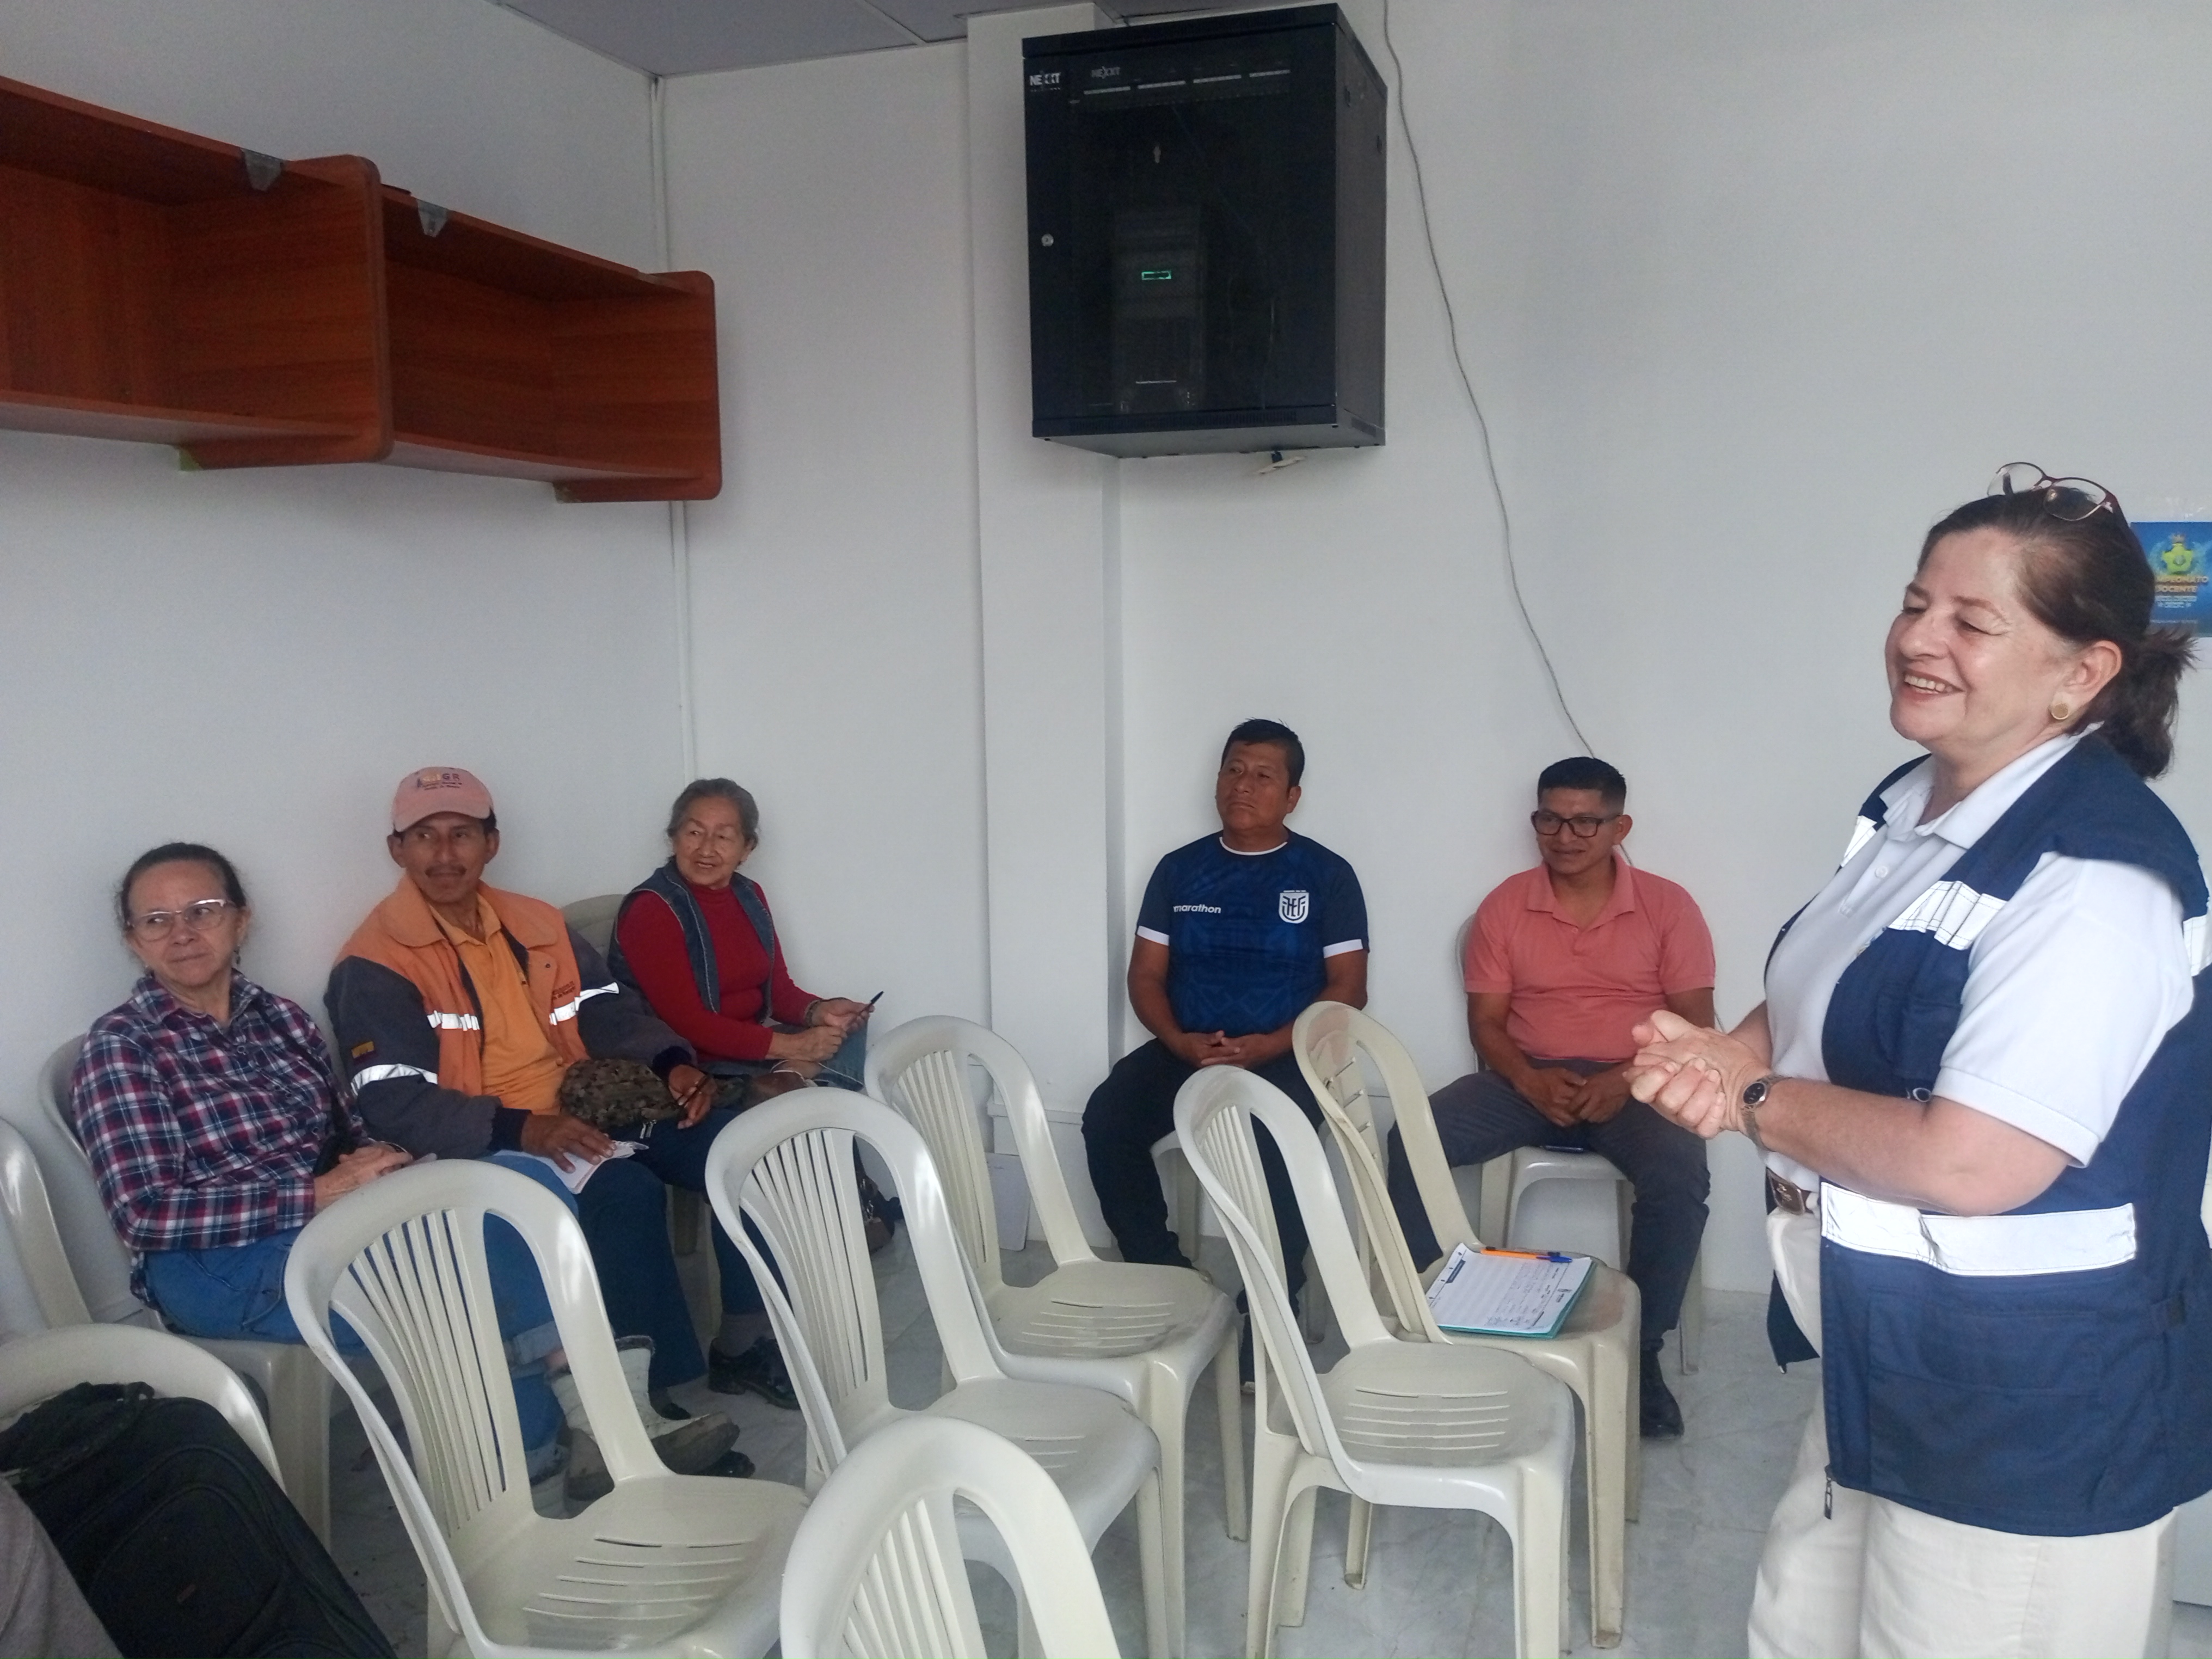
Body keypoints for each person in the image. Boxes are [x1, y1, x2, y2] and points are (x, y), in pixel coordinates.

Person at [1626, 465, 2212, 1659]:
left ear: (2081, 671)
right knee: (1798, 1626)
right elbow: (1839, 982)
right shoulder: (1916, 804)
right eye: (1912, 603)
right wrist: (1728, 1050)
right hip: (1887, 1346)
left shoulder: (2093, 878)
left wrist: (1747, 1095)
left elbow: (1972, 1163)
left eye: (1970, 621)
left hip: (2027, 1403)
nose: (1915, 638)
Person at [68, 843, 568, 1486]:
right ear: (134, 941)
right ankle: (545, 1433)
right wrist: (317, 1194)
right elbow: (147, 1214)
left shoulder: (280, 1018)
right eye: (156, 920)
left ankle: (527, 1418)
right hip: (213, 1260)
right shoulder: (122, 1045)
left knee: (521, 1184)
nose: (182, 933)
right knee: (443, 1271)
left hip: (322, 1214)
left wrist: (383, 1160)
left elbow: (342, 1130)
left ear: (241, 920)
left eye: (202, 910)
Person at [323, 767, 776, 1454]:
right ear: (397, 849)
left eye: (461, 835)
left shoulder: (534, 922)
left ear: (492, 843)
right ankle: (637, 1413)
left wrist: (671, 1063)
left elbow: (606, 1011)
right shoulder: (375, 961)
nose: (444, 854)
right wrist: (521, 1127)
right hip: (490, 1139)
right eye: (424, 837)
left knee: (745, 1146)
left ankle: (742, 1344)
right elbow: (393, 1102)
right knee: (624, 1191)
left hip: (587, 1101)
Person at [1384, 757, 1715, 1437]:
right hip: (1526, 1078)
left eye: (1584, 822)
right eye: (1549, 820)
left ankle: (1640, 1355)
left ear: (1619, 827)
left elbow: (1696, 1024)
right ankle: (1427, 1325)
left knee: (1679, 1173)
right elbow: (1486, 1024)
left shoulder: (1668, 906)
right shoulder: (1506, 905)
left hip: (1635, 1082)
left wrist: (1622, 1079)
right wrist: (1529, 1078)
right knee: (1412, 1136)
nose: (1564, 837)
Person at [1082, 719, 1368, 1306]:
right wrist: (1177, 1040)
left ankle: (1273, 1303)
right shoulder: (1179, 870)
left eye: (1263, 776)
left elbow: (1349, 989)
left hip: (1287, 1054)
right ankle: (1164, 1275)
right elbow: (1144, 976)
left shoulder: (1327, 876)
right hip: (1188, 1048)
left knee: (1273, 1143)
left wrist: (1270, 1045)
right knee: (1108, 1118)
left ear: (1291, 797)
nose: (1243, 784)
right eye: (1233, 770)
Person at [608, 776, 874, 1397]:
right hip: (686, 1071)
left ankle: (789, 1091)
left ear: (748, 847)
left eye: (724, 836)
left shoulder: (749, 896)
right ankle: (744, 1344)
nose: (707, 848)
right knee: (772, 1148)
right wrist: (790, 1048)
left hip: (749, 1056)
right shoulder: (653, 910)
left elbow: (776, 991)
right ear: (672, 837)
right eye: (693, 832)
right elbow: (685, 1023)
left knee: (851, 1035)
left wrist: (819, 1012)